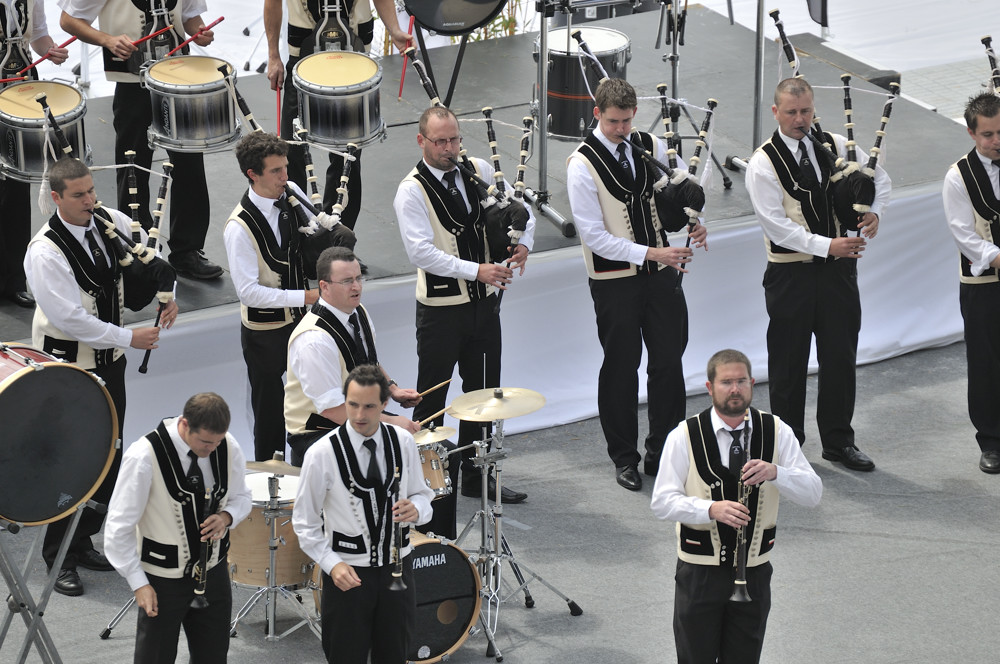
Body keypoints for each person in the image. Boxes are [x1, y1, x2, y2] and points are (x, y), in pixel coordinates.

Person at [24, 157, 179, 596]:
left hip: (110, 361)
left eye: (92, 191)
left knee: (108, 456)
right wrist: (130, 336)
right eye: (79, 195)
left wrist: (170, 294)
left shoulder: (107, 220)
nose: (91, 200)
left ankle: (83, 536)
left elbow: (154, 258)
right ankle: (60, 557)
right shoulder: (45, 251)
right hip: (68, 366)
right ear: (56, 198)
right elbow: (69, 318)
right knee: (69, 460)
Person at [566, 77, 707, 491]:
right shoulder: (581, 164)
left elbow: (681, 189)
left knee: (668, 363)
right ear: (597, 114)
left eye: (627, 121)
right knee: (621, 369)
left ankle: (663, 451)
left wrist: (696, 222)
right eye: (614, 122)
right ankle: (623, 457)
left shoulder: (646, 143)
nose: (622, 130)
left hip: (662, 276)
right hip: (615, 283)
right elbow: (593, 235)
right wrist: (652, 254)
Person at [745, 77, 891, 471]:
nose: (800, 119)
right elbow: (777, 227)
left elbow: (879, 180)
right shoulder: (763, 162)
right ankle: (787, 451)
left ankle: (839, 442)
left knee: (839, 358)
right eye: (791, 112)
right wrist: (830, 245)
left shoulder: (830, 145)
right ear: (775, 112)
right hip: (791, 277)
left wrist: (875, 212)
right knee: (788, 366)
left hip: (838, 276)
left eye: (806, 111)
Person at [394, 105, 535, 509]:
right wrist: (479, 272)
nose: (450, 148)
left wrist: (523, 242)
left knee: (485, 394)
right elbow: (421, 252)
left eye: (455, 139)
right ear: (421, 140)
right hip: (441, 312)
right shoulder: (411, 190)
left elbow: (519, 209)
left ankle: (476, 475)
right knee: (433, 398)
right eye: (441, 141)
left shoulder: (476, 169)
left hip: (484, 309)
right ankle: (430, 482)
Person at [651, 349, 822, 664]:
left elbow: (813, 493)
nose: (734, 389)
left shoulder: (777, 431)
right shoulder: (683, 435)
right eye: (726, 382)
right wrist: (710, 510)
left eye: (741, 381)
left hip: (754, 573)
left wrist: (777, 473)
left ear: (752, 384)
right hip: (700, 575)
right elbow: (661, 501)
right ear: (709, 387)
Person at [59, 0, 224, 279]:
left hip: (177, 75)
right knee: (132, 165)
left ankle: (187, 250)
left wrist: (201, 31)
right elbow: (68, 20)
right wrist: (107, 40)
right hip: (130, 78)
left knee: (190, 161)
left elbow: (190, 16)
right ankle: (135, 247)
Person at [293, 365, 434, 664]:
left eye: (369, 406)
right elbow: (304, 523)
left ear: (384, 405)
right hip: (348, 575)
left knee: (395, 655)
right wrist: (331, 564)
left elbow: (424, 495)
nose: (359, 415)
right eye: (352, 405)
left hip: (398, 571)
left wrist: (417, 508)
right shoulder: (321, 453)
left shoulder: (403, 441)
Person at [103, 392, 252, 664]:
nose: (212, 449)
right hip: (162, 580)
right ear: (184, 424)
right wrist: (139, 584)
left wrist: (227, 517)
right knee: (155, 657)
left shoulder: (227, 445)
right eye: (206, 442)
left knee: (213, 655)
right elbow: (118, 528)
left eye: (217, 442)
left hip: (213, 572)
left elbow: (242, 497)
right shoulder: (143, 457)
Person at [225, 132, 344, 461]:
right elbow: (249, 292)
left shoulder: (290, 193)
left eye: (285, 168)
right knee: (269, 416)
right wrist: (306, 297)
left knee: (311, 403)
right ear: (253, 175)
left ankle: (314, 468)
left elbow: (312, 229)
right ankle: (272, 485)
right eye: (276, 171)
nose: (285, 177)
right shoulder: (238, 228)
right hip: (264, 334)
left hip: (302, 325)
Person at [264, 0, 408, 232]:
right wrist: (273, 55)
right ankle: (301, 236)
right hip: (302, 56)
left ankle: (339, 236)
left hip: (354, 58)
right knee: (291, 152)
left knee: (348, 155)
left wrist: (395, 30)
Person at [284, 245, 421, 467]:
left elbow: (369, 362)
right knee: (406, 456)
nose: (357, 286)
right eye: (347, 281)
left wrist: (392, 389)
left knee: (437, 453)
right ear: (324, 286)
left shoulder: (358, 312)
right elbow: (332, 410)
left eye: (359, 278)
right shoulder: (313, 340)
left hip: (355, 419)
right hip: (318, 434)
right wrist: (392, 422)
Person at [942, 92, 1000, 474]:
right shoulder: (957, 176)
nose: (997, 141)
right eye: (988, 135)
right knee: (986, 363)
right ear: (971, 133)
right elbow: (963, 233)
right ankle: (992, 441)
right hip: (984, 285)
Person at [0, 0, 70, 308]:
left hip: (21, 92)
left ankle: (15, 279)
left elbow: (38, 34)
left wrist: (50, 50)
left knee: (16, 187)